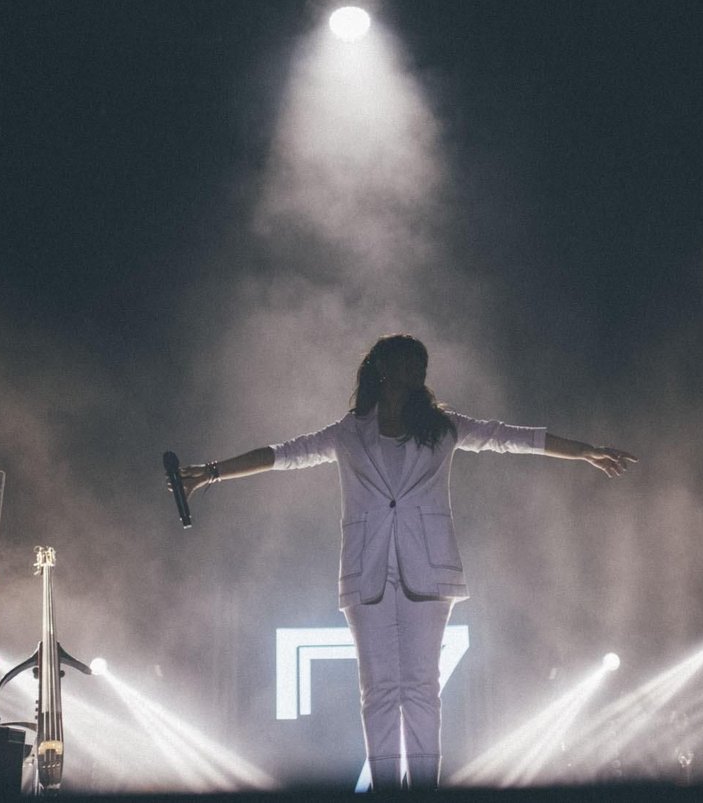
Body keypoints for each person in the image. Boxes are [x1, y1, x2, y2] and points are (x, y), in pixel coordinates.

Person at [174, 333, 636, 790]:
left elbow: (506, 437)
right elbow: (282, 455)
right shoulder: (348, 432)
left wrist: (582, 451)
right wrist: (211, 473)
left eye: (422, 363)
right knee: (377, 690)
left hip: (429, 569)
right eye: (409, 360)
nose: (418, 369)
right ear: (383, 368)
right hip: (367, 571)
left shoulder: (442, 426)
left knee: (421, 688)